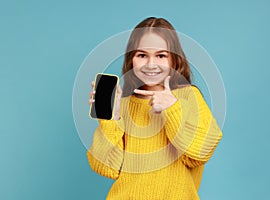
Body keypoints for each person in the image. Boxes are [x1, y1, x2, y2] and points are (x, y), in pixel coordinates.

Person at [87, 17, 222, 200]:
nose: (151, 64)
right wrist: (113, 117)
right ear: (131, 60)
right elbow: (106, 168)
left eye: (161, 55)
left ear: (174, 60)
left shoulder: (189, 97)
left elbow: (199, 154)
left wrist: (172, 108)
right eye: (142, 55)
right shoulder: (124, 105)